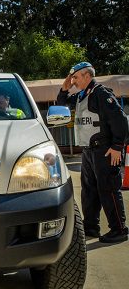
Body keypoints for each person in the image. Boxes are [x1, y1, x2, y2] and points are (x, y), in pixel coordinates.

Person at [57, 61, 128, 243]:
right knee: (89, 191)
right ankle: (90, 228)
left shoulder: (101, 94)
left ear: (87, 75)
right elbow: (61, 104)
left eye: (76, 77)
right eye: (72, 77)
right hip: (88, 151)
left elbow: (120, 121)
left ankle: (119, 230)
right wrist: (64, 89)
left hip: (105, 149)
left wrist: (117, 147)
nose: (73, 80)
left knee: (108, 188)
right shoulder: (82, 95)